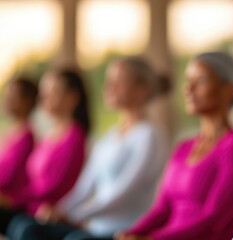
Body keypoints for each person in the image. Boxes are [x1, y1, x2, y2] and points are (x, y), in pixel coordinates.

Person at [101, 51, 233, 240]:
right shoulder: (183, 147)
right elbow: (162, 209)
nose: (188, 88)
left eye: (200, 81)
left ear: (228, 89)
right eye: (187, 80)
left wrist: (152, 239)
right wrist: (132, 232)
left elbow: (214, 220)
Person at [7, 57, 168, 240]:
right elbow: (84, 188)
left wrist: (77, 215)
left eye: (119, 82)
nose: (109, 87)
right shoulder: (109, 136)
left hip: (124, 230)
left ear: (142, 89)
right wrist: (60, 210)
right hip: (96, 227)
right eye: (109, 81)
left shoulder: (149, 135)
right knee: (24, 227)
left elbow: (124, 192)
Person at [0, 67, 90, 234]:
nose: (44, 97)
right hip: (31, 208)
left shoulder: (74, 137)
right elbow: (30, 181)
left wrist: (13, 199)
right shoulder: (49, 136)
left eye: (52, 91)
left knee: (22, 228)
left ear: (72, 97)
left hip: (49, 214)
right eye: (44, 91)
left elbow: (51, 188)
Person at [0, 77, 37, 233]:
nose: (8, 100)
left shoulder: (27, 137)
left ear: (27, 101)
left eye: (14, 96)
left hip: (13, 205)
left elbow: (7, 176)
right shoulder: (10, 133)